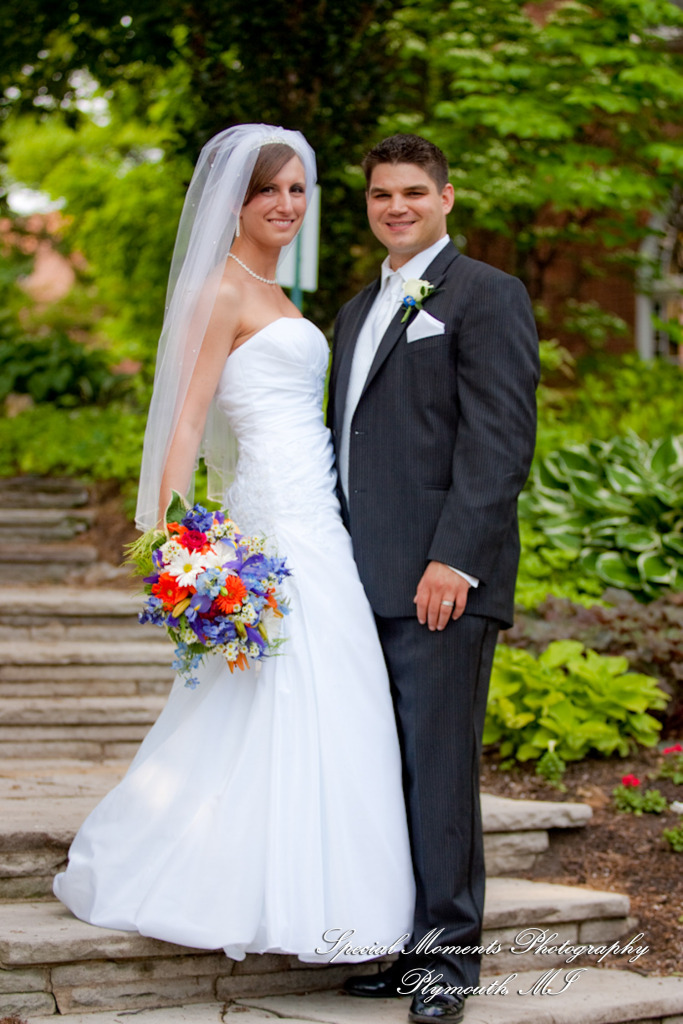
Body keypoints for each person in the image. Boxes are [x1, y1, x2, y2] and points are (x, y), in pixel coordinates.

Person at [53, 123, 415, 963]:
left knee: (338, 691)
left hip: (319, 515)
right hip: (270, 522)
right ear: (235, 203)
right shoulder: (221, 290)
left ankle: (338, 890)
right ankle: (240, 886)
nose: (285, 205)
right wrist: (175, 541)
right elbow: (184, 421)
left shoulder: (278, 291)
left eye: (296, 190)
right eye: (268, 192)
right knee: (280, 688)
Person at [329, 134, 539, 1022]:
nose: (396, 206)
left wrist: (453, 558)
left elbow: (500, 441)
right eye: (382, 194)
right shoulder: (353, 311)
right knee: (380, 774)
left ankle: (446, 962)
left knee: (439, 774)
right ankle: (398, 944)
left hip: (438, 582)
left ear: (446, 198)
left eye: (413, 191)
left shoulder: (486, 294)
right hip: (355, 582)